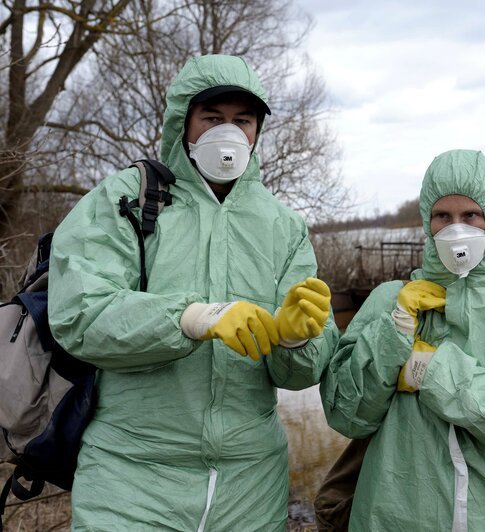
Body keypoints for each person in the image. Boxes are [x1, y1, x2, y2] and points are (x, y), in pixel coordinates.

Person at [48, 54, 338, 530]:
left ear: (258, 131)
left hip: (250, 484)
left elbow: (300, 375)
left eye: (242, 120)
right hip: (131, 476)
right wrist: (188, 318)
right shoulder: (128, 199)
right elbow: (78, 315)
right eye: (212, 118)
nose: (228, 133)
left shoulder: (283, 227)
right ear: (183, 123)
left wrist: (298, 340)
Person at [320, 149, 485, 531]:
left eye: (470, 215)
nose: (457, 229)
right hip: (392, 518)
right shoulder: (390, 301)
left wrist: (431, 370)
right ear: (428, 223)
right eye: (443, 216)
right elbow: (345, 414)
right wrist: (392, 335)